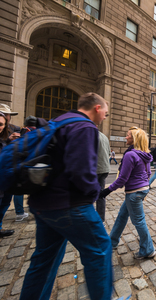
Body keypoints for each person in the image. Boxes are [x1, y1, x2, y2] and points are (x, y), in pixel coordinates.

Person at [20, 93, 113, 300]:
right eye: (106, 111)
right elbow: (81, 171)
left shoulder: (59, 121)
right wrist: (93, 193)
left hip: (42, 203)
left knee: (44, 261)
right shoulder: (86, 127)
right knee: (101, 250)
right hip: (70, 204)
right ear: (97, 108)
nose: (106, 115)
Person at [99, 126, 156, 259]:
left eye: (128, 135)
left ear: (134, 138)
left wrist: (107, 190)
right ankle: (112, 242)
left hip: (134, 193)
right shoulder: (144, 153)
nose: (126, 137)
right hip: (141, 190)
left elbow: (122, 179)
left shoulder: (131, 155)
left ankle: (148, 250)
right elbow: (148, 173)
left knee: (139, 221)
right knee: (122, 216)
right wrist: (142, 184)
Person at [0, 105, 28, 236]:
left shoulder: (10, 130)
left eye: (8, 115)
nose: (8, 117)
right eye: (6, 115)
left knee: (5, 203)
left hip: (7, 174)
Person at [96, 131, 111, 222]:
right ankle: (101, 219)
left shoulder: (90, 134)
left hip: (95, 169)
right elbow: (109, 152)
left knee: (87, 195)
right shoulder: (104, 136)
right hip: (105, 169)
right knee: (101, 195)